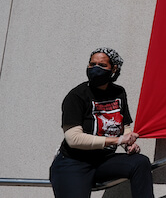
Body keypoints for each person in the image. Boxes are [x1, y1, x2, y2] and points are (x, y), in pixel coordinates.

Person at [49, 47, 154, 197]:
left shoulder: (119, 92)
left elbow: (124, 126)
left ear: (114, 69)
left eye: (102, 65)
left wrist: (128, 144)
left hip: (103, 161)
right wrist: (118, 140)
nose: (95, 68)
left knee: (140, 162)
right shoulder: (76, 96)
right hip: (73, 163)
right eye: (92, 64)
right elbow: (73, 139)